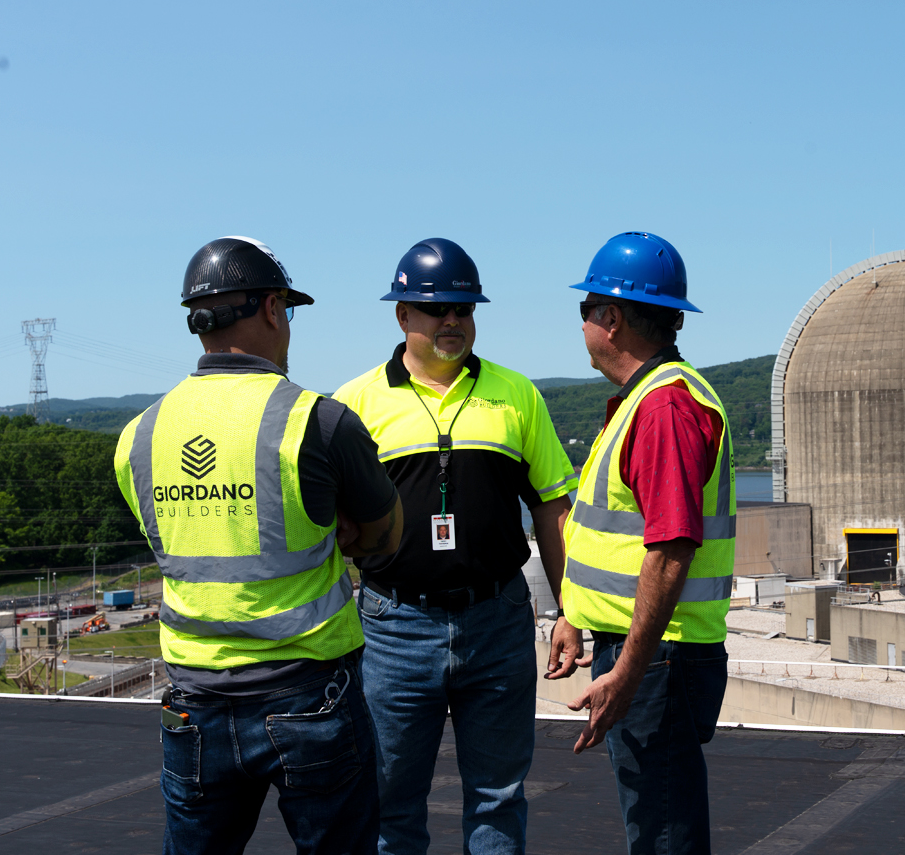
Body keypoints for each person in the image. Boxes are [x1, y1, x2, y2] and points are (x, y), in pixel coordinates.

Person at [113, 235, 403, 855]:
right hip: (309, 695)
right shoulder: (318, 421)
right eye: (288, 310)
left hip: (193, 702)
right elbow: (386, 536)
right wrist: (337, 525)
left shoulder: (138, 436)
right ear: (272, 308)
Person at [333, 238, 577, 855]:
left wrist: (570, 611)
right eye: (436, 307)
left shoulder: (516, 395)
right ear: (402, 315)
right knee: (390, 804)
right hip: (393, 628)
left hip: (498, 621)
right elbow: (328, 531)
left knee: (498, 798)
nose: (452, 320)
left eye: (463, 308)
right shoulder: (352, 405)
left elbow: (552, 508)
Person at [545, 231, 735, 855]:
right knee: (657, 824)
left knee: (663, 834)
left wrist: (626, 672)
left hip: (657, 659)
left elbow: (671, 548)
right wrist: (575, 614)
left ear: (612, 319)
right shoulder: (645, 402)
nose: (581, 324)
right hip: (649, 653)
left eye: (585, 309)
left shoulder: (663, 410)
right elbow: (617, 538)